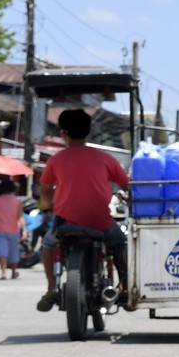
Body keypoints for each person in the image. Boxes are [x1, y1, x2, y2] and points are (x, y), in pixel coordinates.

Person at [36, 109, 130, 312]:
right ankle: (124, 287)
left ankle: (51, 288)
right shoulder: (106, 159)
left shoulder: (56, 160)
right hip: (101, 222)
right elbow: (127, 185)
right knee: (120, 243)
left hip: (66, 223)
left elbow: (45, 190)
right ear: (87, 132)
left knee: (47, 246)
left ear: (64, 134)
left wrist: (46, 207)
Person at [0, 177, 24, 280]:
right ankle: (14, 271)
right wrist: (24, 230)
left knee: (2, 251)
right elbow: (20, 216)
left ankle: (3, 272)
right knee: (14, 251)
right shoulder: (17, 201)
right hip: (14, 230)